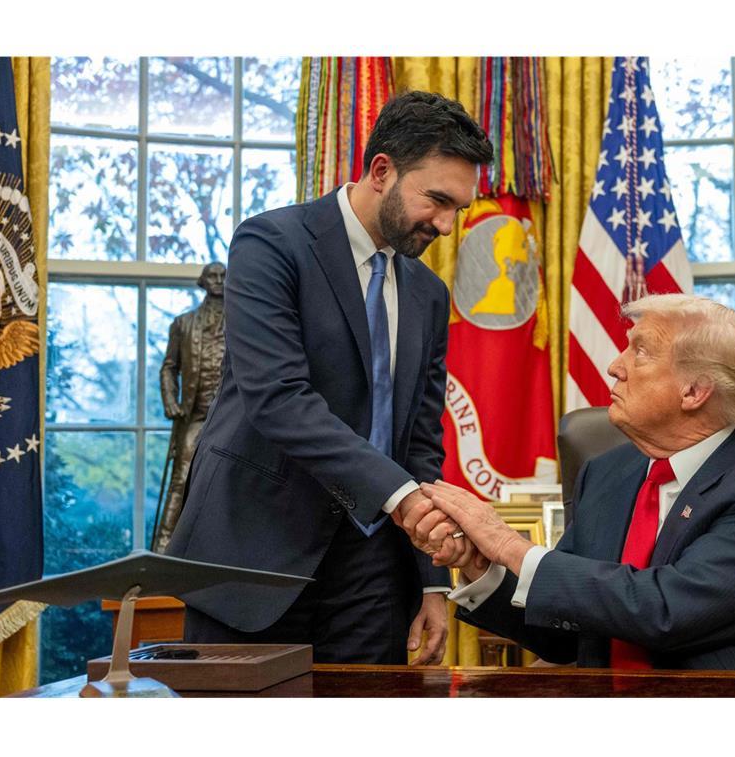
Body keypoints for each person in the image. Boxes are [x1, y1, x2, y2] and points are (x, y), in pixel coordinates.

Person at [166, 91, 494, 663]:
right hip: (254, 555)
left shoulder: (429, 294)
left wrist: (431, 581)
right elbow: (278, 399)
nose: (446, 225)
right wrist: (402, 499)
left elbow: (419, 439)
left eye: (457, 210)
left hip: (374, 573)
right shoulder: (271, 244)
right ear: (382, 171)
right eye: (437, 200)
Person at [411, 294, 735, 671]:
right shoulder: (606, 473)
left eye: (640, 352)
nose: (615, 366)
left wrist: (509, 546)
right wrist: (480, 565)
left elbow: (668, 612)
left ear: (694, 391)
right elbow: (565, 634)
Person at [152, 262, 227, 553]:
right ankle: (163, 550)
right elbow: (168, 368)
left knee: (230, 483)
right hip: (195, 415)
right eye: (213, 276)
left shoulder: (244, 322)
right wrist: (170, 401)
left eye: (223, 276)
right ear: (202, 281)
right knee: (181, 479)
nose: (218, 281)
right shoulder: (183, 324)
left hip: (233, 417)